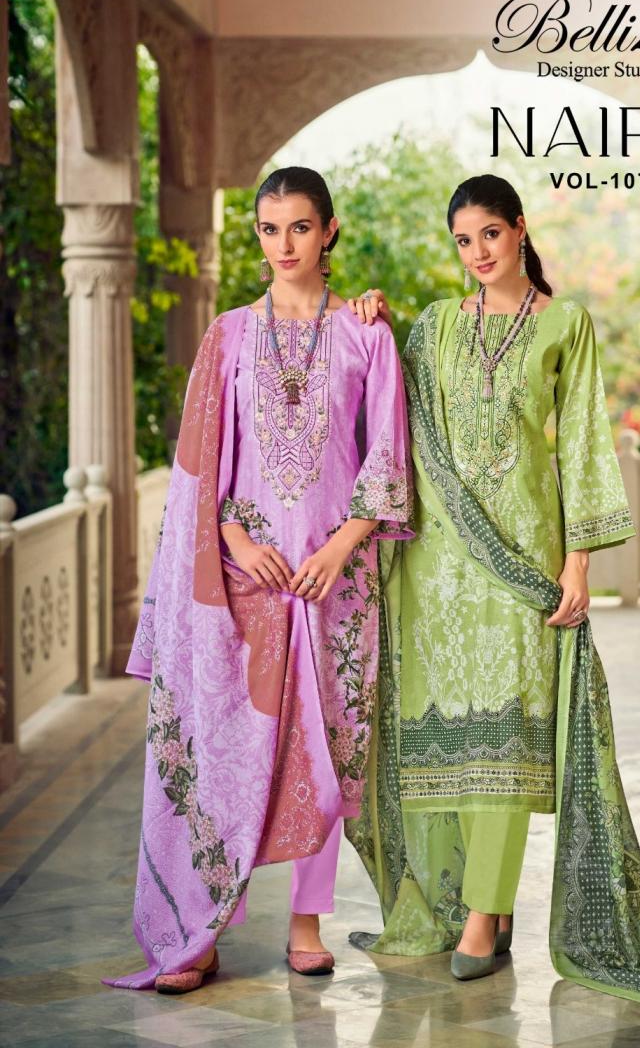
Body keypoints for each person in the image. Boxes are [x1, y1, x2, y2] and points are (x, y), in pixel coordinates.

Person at [345, 174, 640, 1012]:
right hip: (438, 564)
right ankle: (466, 905)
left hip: (522, 558)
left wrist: (577, 563)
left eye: (489, 234)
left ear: (519, 229)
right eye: (462, 241)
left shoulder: (564, 322)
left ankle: (485, 914)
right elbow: (392, 414)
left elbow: (583, 440)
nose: (477, 252)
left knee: (509, 735)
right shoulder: (434, 325)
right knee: (453, 739)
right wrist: (366, 319)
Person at [104, 167, 412, 993]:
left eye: (300, 227)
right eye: (270, 229)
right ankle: (200, 925)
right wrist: (236, 539)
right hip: (242, 578)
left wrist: (342, 545)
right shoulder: (229, 336)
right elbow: (203, 462)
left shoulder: (366, 335)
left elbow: (386, 453)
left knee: (324, 750)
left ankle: (306, 923)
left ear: (329, 230)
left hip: (333, 581)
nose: (284, 244)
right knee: (224, 752)